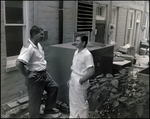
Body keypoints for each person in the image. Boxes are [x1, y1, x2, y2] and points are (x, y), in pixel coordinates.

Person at [16, 25, 59, 118]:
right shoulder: (28, 47)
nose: (43, 36)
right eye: (41, 34)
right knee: (35, 102)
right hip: (35, 77)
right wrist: (27, 75)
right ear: (35, 34)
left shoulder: (38, 44)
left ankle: (48, 109)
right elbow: (19, 63)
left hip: (44, 74)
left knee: (54, 87)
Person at [67, 35, 95, 118]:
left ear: (83, 43)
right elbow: (73, 67)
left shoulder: (87, 55)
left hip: (80, 80)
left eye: (78, 40)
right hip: (73, 78)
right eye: (75, 40)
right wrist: (70, 79)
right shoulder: (76, 52)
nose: (75, 42)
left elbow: (91, 71)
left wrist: (81, 80)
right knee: (72, 101)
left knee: (81, 104)